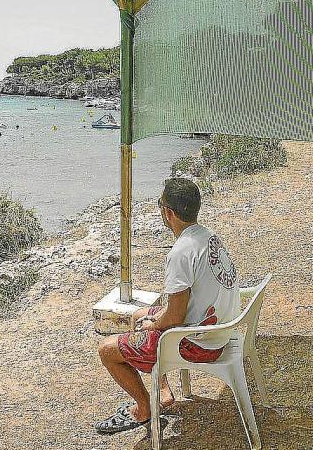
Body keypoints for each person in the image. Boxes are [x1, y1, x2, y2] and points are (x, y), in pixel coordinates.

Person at [95, 178, 240, 434]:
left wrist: (154, 324)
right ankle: (163, 390)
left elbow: (174, 317)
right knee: (139, 315)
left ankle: (143, 409)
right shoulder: (209, 236)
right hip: (220, 329)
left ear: (168, 213)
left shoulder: (181, 253)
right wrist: (152, 319)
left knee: (107, 350)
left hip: (199, 344)